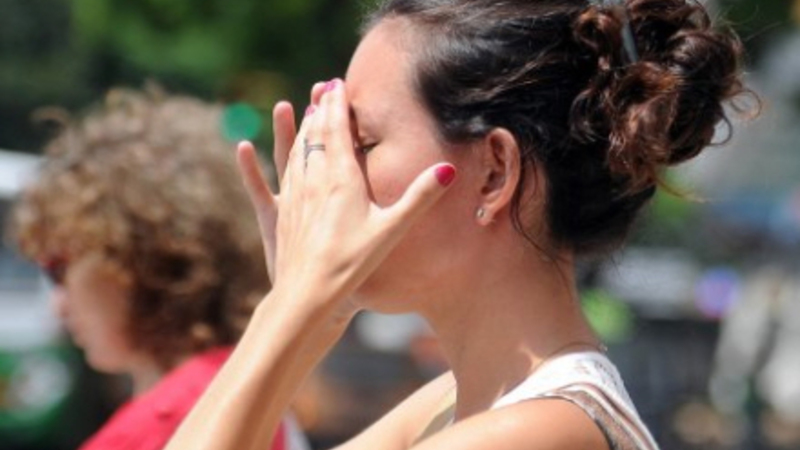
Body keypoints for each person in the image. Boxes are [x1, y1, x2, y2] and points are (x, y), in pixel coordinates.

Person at [164, 0, 752, 449]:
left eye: (361, 143)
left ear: (494, 172)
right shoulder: (456, 403)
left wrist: (293, 304)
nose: (332, 178)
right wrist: (313, 309)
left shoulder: (539, 432)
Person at [8, 89, 308, 450]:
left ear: (134, 257)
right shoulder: (247, 388)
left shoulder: (159, 425)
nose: (58, 304)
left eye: (58, 269)